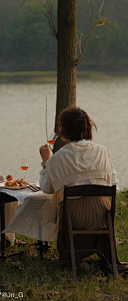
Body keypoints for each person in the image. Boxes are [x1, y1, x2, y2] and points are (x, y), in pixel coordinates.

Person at [39, 106, 119, 261]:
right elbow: (114, 185)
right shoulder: (104, 151)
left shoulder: (57, 158)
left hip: (74, 218)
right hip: (102, 217)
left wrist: (45, 162)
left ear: (64, 130)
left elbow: (47, 188)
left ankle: (72, 254)